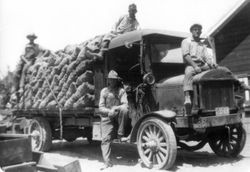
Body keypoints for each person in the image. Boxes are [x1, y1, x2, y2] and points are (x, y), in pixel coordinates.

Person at [181, 24, 218, 115]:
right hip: (191, 64)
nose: (197, 31)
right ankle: (187, 97)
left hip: (202, 65)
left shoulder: (202, 44)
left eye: (199, 30)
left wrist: (212, 63)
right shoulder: (186, 41)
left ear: (201, 32)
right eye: (195, 29)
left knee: (219, 70)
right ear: (192, 31)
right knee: (188, 73)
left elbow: (207, 57)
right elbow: (186, 55)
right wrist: (194, 66)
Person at [99, 70, 129, 169]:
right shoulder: (104, 91)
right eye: (110, 80)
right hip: (107, 117)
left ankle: (120, 134)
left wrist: (115, 108)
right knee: (105, 140)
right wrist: (109, 111)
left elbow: (125, 104)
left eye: (114, 80)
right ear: (108, 80)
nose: (112, 82)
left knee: (124, 109)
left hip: (118, 116)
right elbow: (101, 107)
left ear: (117, 81)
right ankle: (107, 162)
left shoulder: (121, 91)